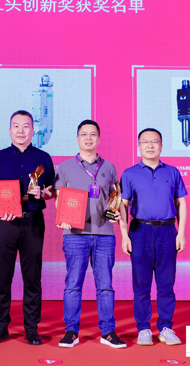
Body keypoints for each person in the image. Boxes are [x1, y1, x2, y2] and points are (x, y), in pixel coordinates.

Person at [0, 110, 55, 345]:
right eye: (16, 126)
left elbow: (52, 190)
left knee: (32, 277)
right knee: (1, 277)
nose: (21, 130)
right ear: (10, 130)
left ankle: (31, 328)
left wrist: (43, 193)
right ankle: (0, 327)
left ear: (33, 130)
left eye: (26, 126)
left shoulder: (44, 157)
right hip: (4, 222)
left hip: (33, 221)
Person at [54, 120, 127, 349]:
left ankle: (108, 332)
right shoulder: (64, 167)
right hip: (75, 234)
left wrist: (115, 214)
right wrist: (62, 216)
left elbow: (115, 196)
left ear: (99, 139)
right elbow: (59, 198)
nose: (88, 138)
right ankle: (71, 332)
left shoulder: (109, 167)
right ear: (77, 139)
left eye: (92, 134)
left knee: (105, 285)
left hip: (105, 234)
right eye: (84, 134)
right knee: (73, 285)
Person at [118, 128, 187, 346]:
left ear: (161, 146)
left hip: (167, 231)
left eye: (154, 141)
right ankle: (143, 328)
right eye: (145, 142)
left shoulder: (172, 172)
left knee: (167, 283)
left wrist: (181, 233)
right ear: (138, 146)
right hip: (140, 231)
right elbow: (123, 205)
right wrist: (124, 236)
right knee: (141, 284)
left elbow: (181, 203)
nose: (150, 145)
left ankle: (166, 327)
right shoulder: (129, 174)